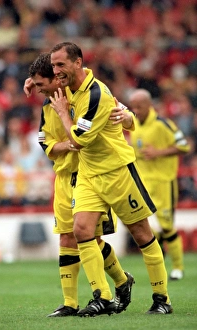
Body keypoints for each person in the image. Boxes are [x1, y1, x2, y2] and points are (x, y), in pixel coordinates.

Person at [49, 41, 173, 316]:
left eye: (60, 64)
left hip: (117, 171)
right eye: (53, 65)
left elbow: (78, 140)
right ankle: (102, 297)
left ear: (78, 63)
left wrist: (61, 114)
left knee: (142, 234)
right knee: (81, 230)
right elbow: (42, 77)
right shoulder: (68, 86)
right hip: (89, 174)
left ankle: (162, 297)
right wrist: (30, 82)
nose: (55, 71)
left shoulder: (95, 94)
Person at [24, 52, 135, 317]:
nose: (38, 90)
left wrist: (128, 116)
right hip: (62, 177)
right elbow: (45, 142)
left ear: (58, 79)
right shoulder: (47, 105)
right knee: (67, 237)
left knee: (89, 236)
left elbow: (103, 113)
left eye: (42, 84)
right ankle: (70, 303)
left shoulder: (82, 96)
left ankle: (114, 286)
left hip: (88, 175)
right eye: (36, 85)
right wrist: (63, 146)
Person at [128, 89, 190, 280]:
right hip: (143, 183)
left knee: (167, 225)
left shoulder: (163, 124)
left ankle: (178, 268)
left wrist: (159, 152)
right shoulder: (134, 125)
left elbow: (185, 146)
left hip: (164, 182)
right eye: (133, 107)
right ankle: (159, 254)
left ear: (149, 105)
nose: (135, 110)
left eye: (139, 106)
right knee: (140, 224)